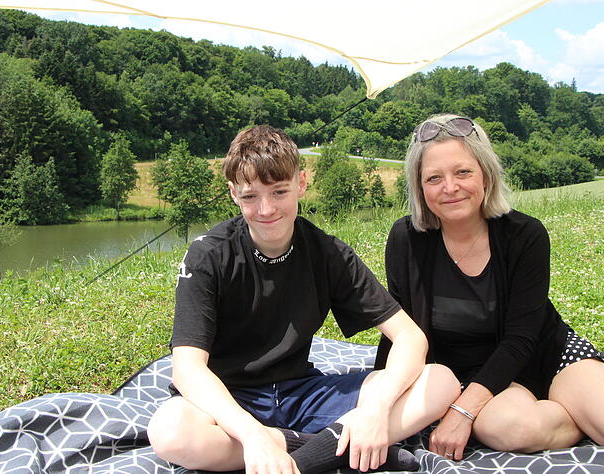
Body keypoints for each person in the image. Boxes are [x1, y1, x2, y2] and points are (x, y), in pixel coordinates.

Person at [148, 125, 460, 474]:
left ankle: (303, 457)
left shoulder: (327, 252)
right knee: (170, 432)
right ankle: (342, 449)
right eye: (250, 196)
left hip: (304, 393)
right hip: (231, 399)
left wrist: (376, 409)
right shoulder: (207, 255)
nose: (266, 209)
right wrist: (253, 435)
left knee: (440, 381)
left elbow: (410, 337)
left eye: (279, 192)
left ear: (302, 183)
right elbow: (188, 369)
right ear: (233, 193)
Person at [375, 114, 604, 461]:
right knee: (508, 429)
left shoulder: (525, 235)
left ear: (486, 174)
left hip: (540, 354)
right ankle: (583, 411)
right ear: (419, 187)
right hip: (467, 374)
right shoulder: (406, 239)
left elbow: (522, 337)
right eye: (434, 178)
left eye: (463, 172)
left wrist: (462, 413)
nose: (450, 187)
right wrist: (381, 400)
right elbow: (400, 331)